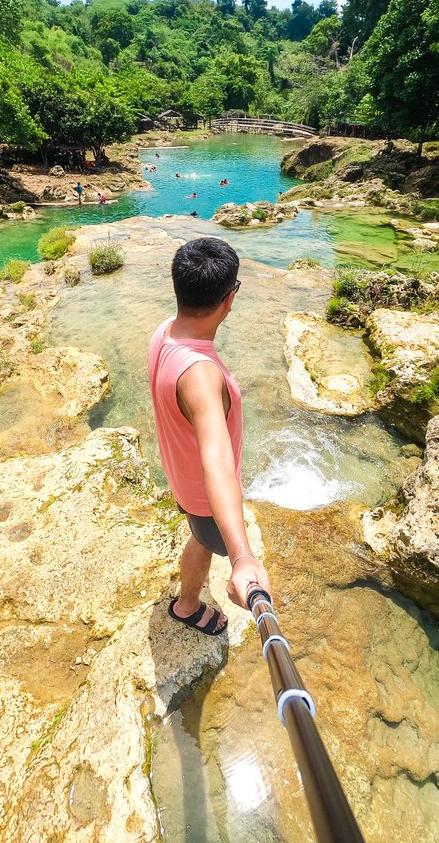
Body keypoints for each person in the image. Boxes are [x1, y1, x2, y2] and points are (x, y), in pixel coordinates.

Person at [147, 237, 271, 636]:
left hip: (181, 476)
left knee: (198, 537)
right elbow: (216, 460)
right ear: (229, 299)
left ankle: (189, 596)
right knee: (204, 542)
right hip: (204, 497)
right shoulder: (200, 375)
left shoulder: (165, 331)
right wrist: (242, 557)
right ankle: (186, 605)